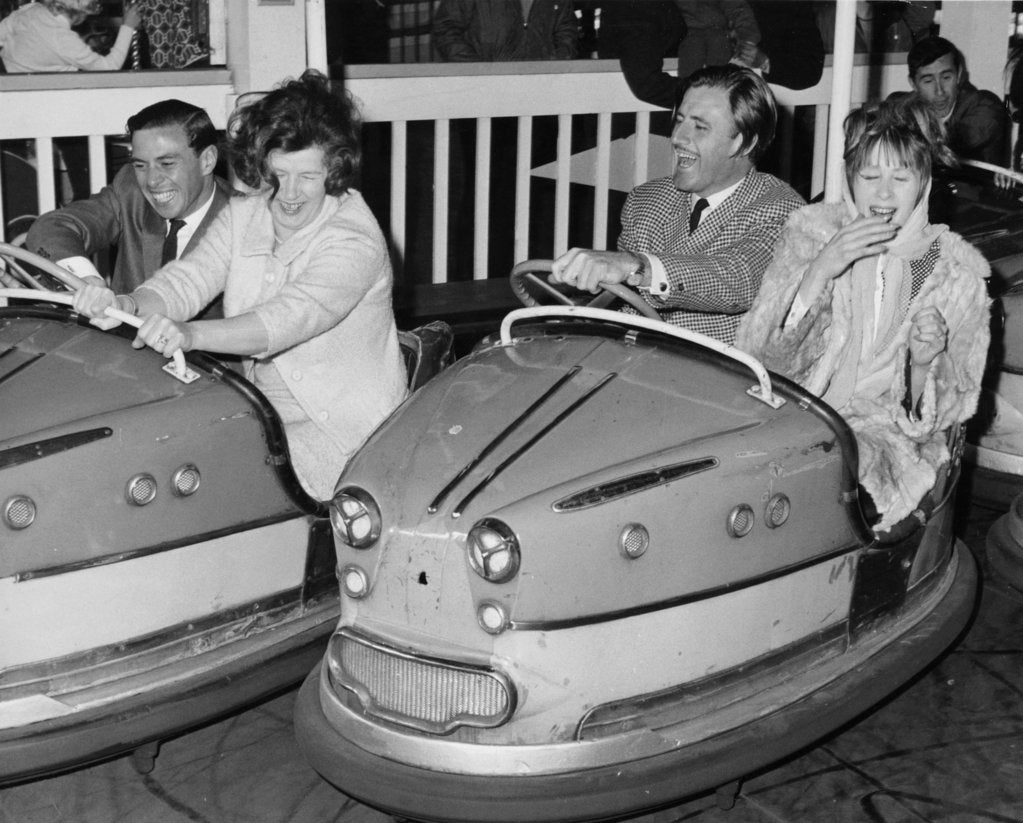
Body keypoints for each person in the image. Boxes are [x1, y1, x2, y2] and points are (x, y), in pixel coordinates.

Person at [71, 70, 408, 501]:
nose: (287, 194)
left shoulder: (354, 239)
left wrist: (190, 334)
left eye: (306, 176)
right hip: (264, 421)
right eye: (276, 174)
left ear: (334, 171)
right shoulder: (246, 214)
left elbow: (286, 319)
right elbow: (186, 281)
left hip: (345, 438)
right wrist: (127, 304)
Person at [735, 101, 990, 532]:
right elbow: (762, 363)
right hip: (790, 411)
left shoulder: (958, 277)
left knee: (825, 496)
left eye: (901, 177)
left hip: (881, 437)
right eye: (870, 177)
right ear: (850, 178)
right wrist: (820, 270)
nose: (884, 194)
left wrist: (923, 363)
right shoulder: (812, 233)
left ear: (925, 183)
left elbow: (949, 415)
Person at [550, 64, 804, 344]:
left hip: (721, 375)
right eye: (680, 120)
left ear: (742, 144)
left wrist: (637, 267)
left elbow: (738, 278)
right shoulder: (646, 200)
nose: (677, 138)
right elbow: (625, 303)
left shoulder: (782, 210)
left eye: (699, 127)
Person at [26, 99, 234, 307]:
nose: (152, 181)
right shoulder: (131, 192)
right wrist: (87, 281)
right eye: (141, 165)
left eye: (167, 164)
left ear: (207, 160)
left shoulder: (243, 221)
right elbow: (51, 227)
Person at [892, 36, 1010, 167]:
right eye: (928, 81)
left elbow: (951, 143)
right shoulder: (902, 105)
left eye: (946, 77)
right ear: (913, 84)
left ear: (959, 74)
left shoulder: (985, 106)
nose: (939, 91)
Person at [0, 0, 141, 72]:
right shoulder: (64, 40)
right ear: (80, 15)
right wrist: (128, 26)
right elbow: (109, 67)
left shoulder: (32, 9)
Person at [431, 0, 579, 61]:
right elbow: (446, 29)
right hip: (484, 95)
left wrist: (558, 62)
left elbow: (566, 28)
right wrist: (478, 69)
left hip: (541, 90)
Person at [675, 1, 761, 83]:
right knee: (692, 52)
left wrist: (748, 39)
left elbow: (738, 8)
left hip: (719, 33)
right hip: (686, 34)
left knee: (719, 46)